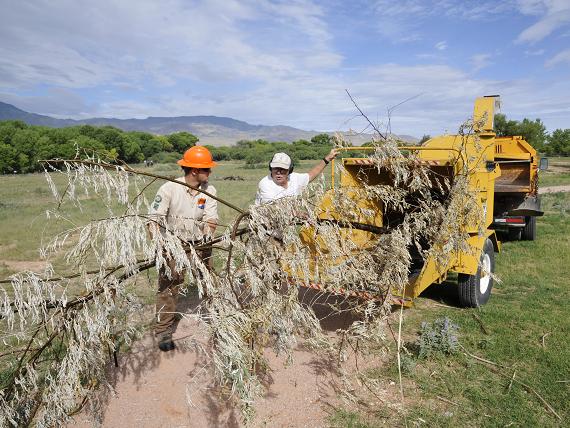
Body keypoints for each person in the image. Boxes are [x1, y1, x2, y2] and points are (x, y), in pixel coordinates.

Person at [148, 145, 218, 352]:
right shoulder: (169, 188)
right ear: (194, 171)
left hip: (200, 243)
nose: (210, 172)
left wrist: (208, 232)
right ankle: (163, 330)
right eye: (207, 169)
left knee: (209, 280)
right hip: (173, 246)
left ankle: (216, 316)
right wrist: (162, 247)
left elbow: (211, 217)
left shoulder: (209, 191)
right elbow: (153, 219)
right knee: (169, 286)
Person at [255, 148, 339, 204]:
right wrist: (297, 214)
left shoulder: (294, 178)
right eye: (275, 168)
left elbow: (311, 174)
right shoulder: (265, 184)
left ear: (289, 171)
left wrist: (327, 159)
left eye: (282, 169)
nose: (278, 172)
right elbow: (274, 209)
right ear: (271, 168)